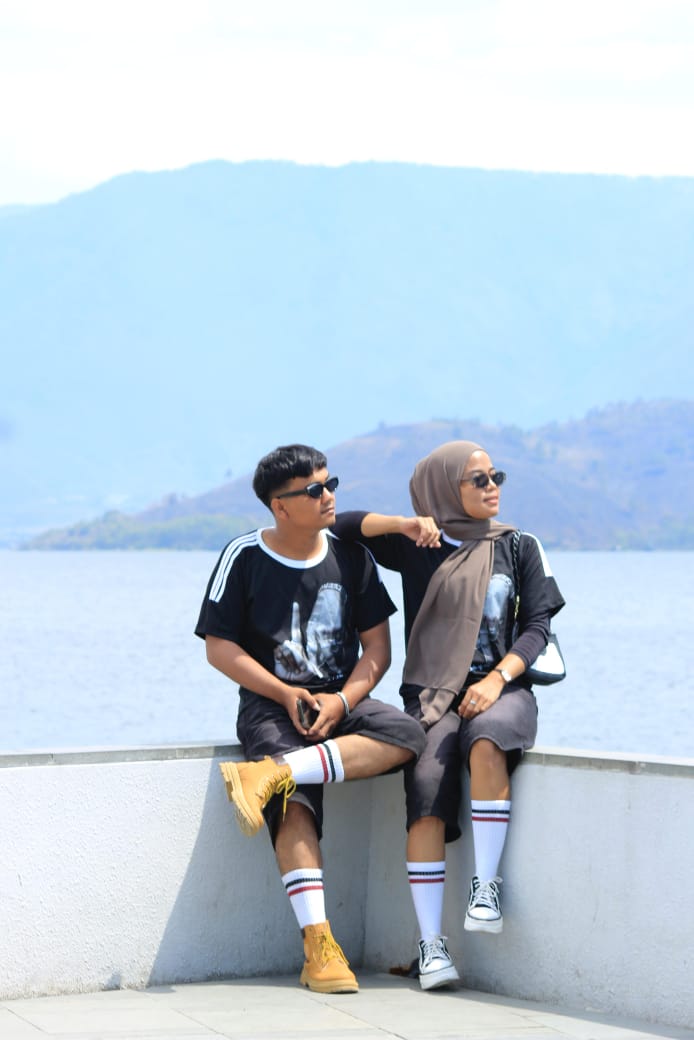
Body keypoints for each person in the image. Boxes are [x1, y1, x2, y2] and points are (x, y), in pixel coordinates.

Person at [332, 440, 565, 991]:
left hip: (502, 686)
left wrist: (496, 679)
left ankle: (486, 887)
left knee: (487, 739)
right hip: (432, 694)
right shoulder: (421, 544)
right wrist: (406, 523)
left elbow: (537, 627)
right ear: (444, 488)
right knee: (426, 786)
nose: (492, 487)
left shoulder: (518, 546)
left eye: (495, 476)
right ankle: (432, 945)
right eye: (478, 479)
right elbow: (340, 527)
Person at [195, 444, 426, 995]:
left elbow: (377, 651)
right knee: (293, 804)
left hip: (340, 701)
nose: (329, 496)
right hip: (270, 705)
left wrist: (342, 702)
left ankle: (272, 773)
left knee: (407, 734)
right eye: (314, 490)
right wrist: (283, 692)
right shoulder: (243, 556)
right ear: (280, 506)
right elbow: (219, 648)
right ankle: (318, 946)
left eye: (330, 484)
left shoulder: (352, 557)